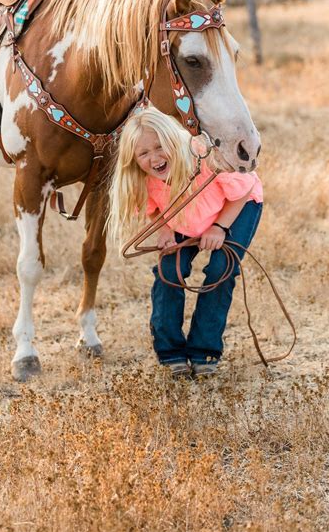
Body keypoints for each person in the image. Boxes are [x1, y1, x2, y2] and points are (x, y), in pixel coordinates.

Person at [108, 107, 263, 378]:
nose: (154, 158)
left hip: (236, 205)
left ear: (173, 139)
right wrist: (165, 228)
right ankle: (171, 352)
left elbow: (243, 189)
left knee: (220, 270)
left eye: (160, 147)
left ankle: (204, 351)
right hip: (186, 215)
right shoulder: (146, 178)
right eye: (143, 154)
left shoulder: (204, 157)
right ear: (133, 159)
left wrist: (218, 227)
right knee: (170, 272)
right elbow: (156, 207)